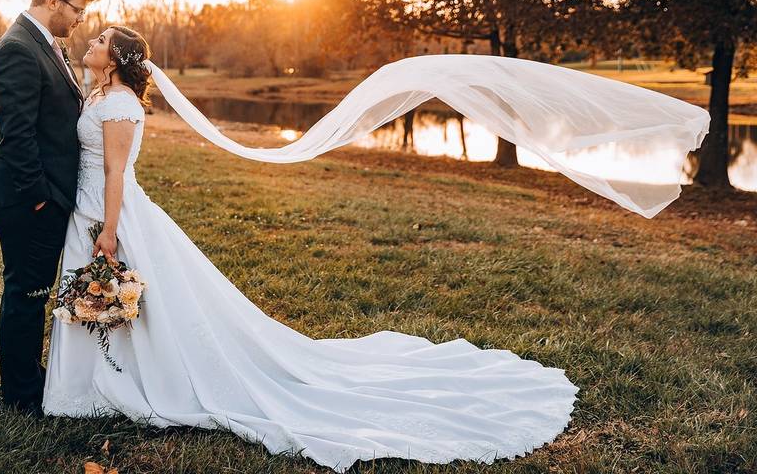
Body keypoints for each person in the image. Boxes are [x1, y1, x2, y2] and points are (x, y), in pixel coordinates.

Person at [42, 27, 589, 472]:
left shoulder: (118, 105)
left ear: (114, 59)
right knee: (125, 303)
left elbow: (115, 171)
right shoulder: (100, 93)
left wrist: (109, 231)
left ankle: (130, 382)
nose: (90, 41)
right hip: (87, 208)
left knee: (131, 298)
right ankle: (100, 381)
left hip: (109, 213)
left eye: (100, 40)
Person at [0, 0, 102, 415]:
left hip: (39, 193)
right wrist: (42, 197)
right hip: (26, 196)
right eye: (78, 9)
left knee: (33, 289)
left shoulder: (47, 44)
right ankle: (22, 395)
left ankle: (28, 378)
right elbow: (17, 134)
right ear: (52, 1)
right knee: (27, 292)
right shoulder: (17, 49)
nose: (81, 18)